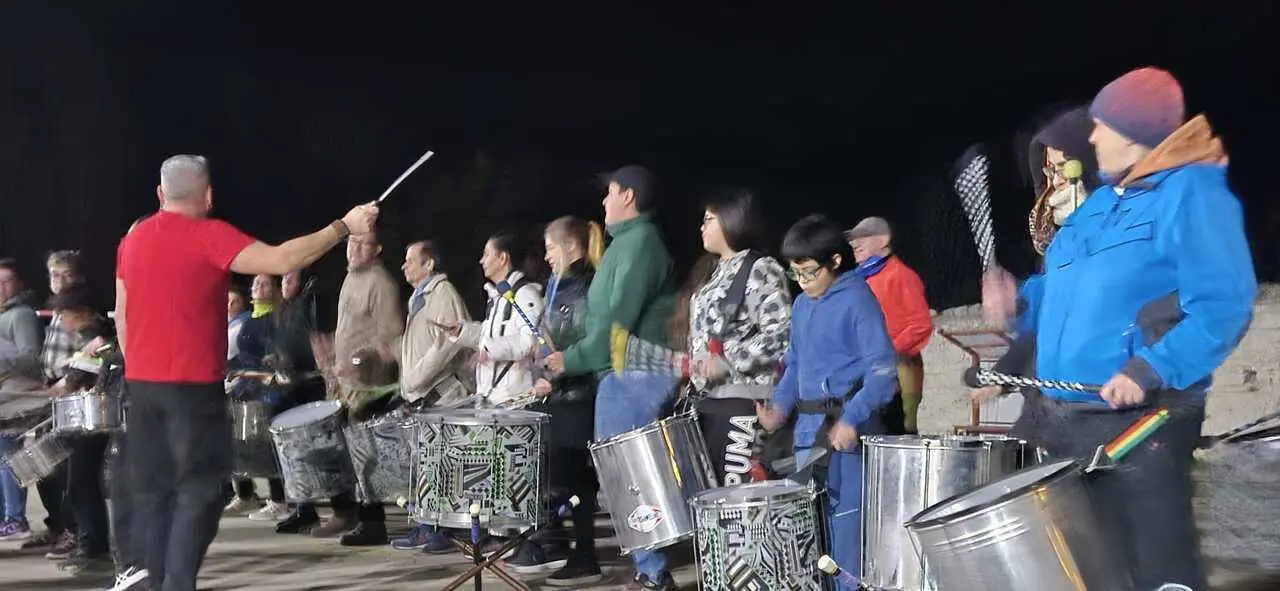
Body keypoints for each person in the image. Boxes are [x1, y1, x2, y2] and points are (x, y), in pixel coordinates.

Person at [982, 67, 1254, 590]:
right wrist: (1015, 302)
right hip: (1066, 419)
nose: (1092, 137)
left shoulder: (1192, 194)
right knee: (1089, 568)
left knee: (1154, 567)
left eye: (1102, 126)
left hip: (1140, 420)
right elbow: (1054, 296)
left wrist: (1150, 366)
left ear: (1135, 134)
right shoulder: (1100, 206)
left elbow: (1224, 306)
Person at [114, 154, 378, 591]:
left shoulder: (134, 238)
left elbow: (122, 314)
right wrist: (343, 226)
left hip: (141, 389)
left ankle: (146, 578)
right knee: (200, 491)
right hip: (191, 389)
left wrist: (141, 371)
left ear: (160, 194)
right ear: (209, 195)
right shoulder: (207, 235)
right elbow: (280, 260)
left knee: (153, 493)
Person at [544, 165, 679, 591]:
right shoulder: (625, 245)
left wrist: (573, 359)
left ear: (628, 196)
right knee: (622, 477)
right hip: (618, 376)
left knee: (633, 477)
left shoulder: (641, 245)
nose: (603, 201)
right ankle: (648, 567)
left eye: (609, 193)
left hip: (636, 375)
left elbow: (617, 323)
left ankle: (654, 572)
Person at [756, 214, 898, 591]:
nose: (802, 282)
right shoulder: (802, 305)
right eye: (796, 274)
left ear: (836, 261)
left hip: (847, 437)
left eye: (809, 272)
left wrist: (852, 419)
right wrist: (779, 408)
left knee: (846, 534)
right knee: (810, 531)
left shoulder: (857, 300)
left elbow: (883, 371)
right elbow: (796, 363)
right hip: (808, 435)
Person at [499, 216, 605, 584]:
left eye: (550, 248)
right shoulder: (558, 286)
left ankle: (584, 553)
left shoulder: (586, 287)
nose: (545, 256)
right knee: (556, 473)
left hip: (579, 395)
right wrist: (544, 375)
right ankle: (555, 543)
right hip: (560, 393)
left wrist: (556, 374)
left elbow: (584, 342)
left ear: (571, 247)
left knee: (575, 478)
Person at [685, 190, 791, 484]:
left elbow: (781, 336)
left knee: (736, 495)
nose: (702, 227)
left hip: (742, 403)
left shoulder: (760, 269)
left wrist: (727, 361)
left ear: (733, 221)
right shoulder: (715, 272)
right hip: (710, 402)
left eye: (709, 219)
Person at [312, 228, 403, 546]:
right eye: (350, 242)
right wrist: (331, 351)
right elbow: (353, 329)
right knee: (350, 455)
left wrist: (353, 362)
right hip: (346, 385)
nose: (352, 249)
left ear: (376, 249)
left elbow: (389, 339)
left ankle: (373, 523)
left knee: (367, 457)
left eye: (361, 244)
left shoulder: (381, 283)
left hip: (370, 387)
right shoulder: (351, 277)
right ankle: (352, 513)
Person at [386, 240, 474, 554]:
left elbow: (447, 345)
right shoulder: (420, 298)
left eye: (410, 260)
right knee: (429, 467)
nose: (403, 265)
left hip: (442, 395)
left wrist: (414, 379)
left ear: (429, 265)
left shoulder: (443, 294)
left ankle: (442, 530)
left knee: (444, 466)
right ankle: (428, 526)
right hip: (425, 397)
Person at [42, 284, 115, 578]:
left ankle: (94, 549)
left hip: (90, 421)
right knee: (79, 485)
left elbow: (79, 377)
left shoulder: (93, 334)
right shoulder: (97, 332)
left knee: (81, 486)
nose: (65, 321)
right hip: (88, 418)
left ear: (80, 313)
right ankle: (90, 544)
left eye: (66, 314)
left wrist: (46, 391)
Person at [846, 216, 932, 434]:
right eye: (852, 239)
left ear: (883, 239)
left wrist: (886, 350)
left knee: (895, 436)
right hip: (864, 373)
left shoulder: (901, 275)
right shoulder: (860, 279)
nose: (854, 244)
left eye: (862, 238)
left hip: (898, 373)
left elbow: (921, 324)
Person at [447, 229, 544, 406]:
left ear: (502, 259)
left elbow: (530, 342)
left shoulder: (525, 295)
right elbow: (491, 334)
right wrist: (463, 331)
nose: (481, 260)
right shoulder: (499, 297)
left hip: (515, 402)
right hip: (494, 401)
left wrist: (489, 348)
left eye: (486, 254)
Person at [223, 274, 290, 521]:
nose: (258, 288)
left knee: (269, 447)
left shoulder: (273, 319)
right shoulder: (250, 321)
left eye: (265, 284)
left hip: (268, 390)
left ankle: (279, 500)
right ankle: (249, 494)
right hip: (246, 388)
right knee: (250, 446)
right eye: (255, 284)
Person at [0, 258, 44, 542]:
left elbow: (31, 358)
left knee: (9, 458)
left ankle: (15, 518)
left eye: (7, 281)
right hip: (5, 396)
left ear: (20, 284)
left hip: (16, 398)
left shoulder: (22, 315)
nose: (1, 287)